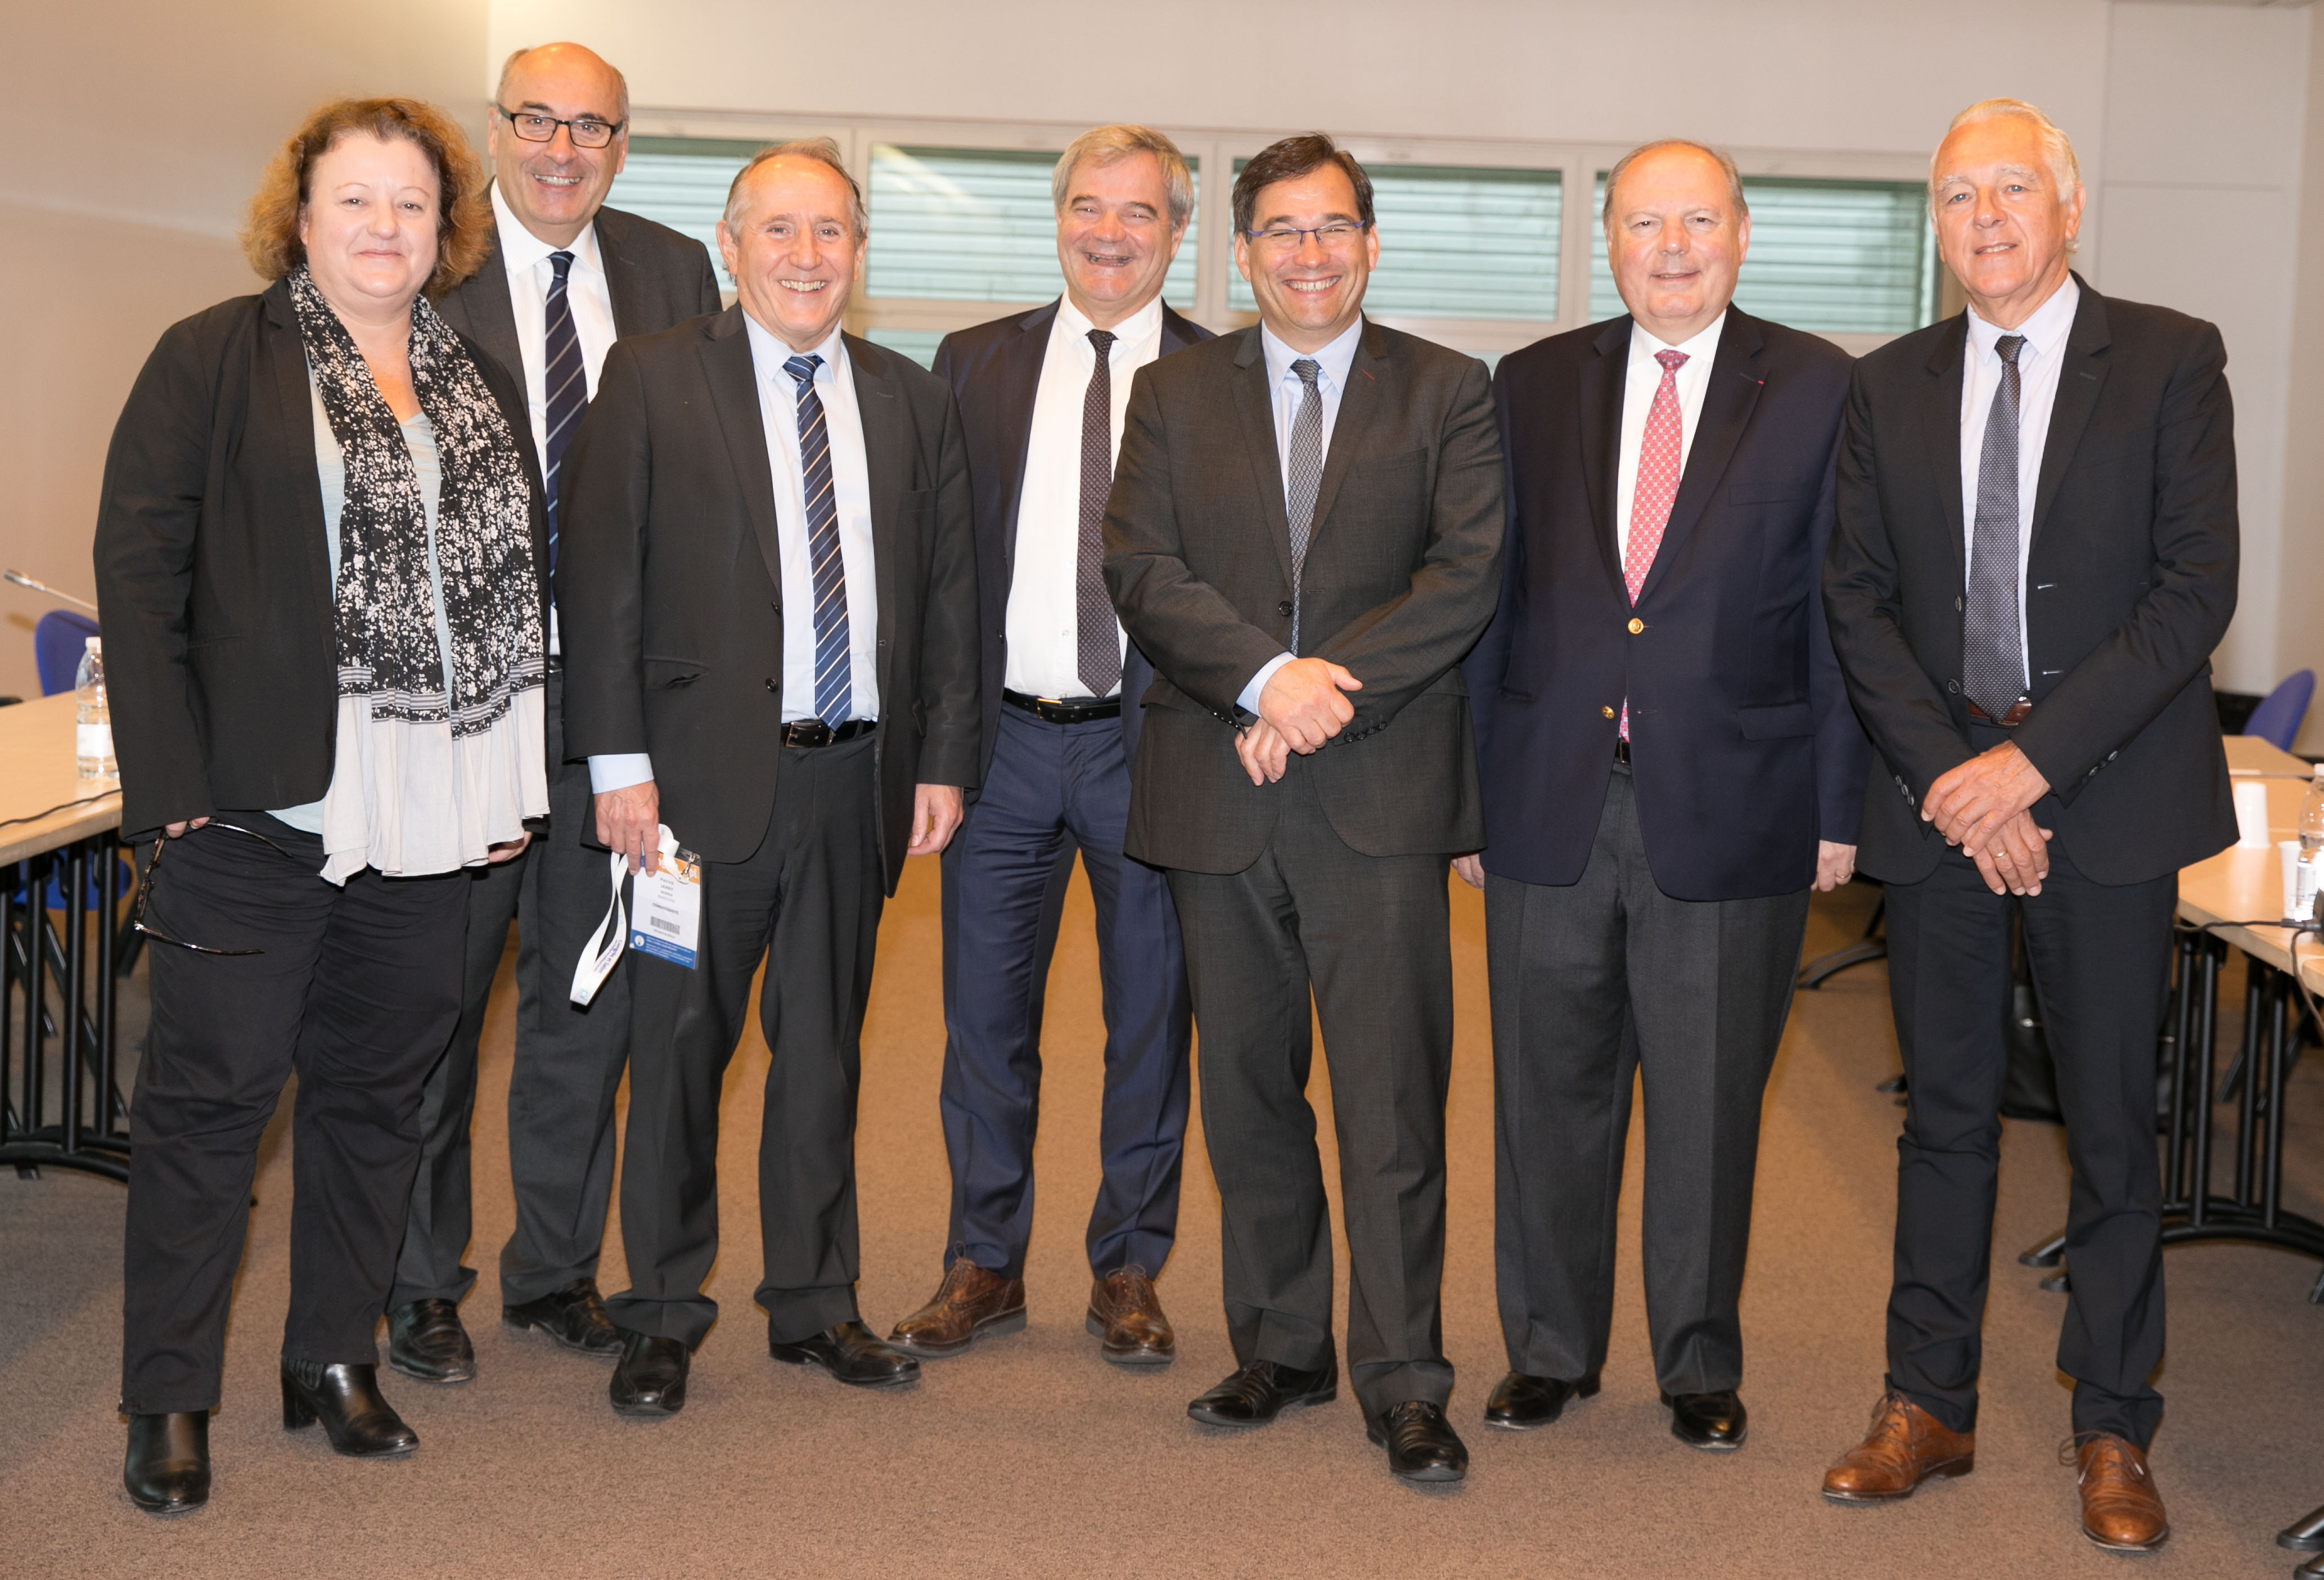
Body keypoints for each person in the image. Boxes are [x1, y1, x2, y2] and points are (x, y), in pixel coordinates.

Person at [96, 98, 548, 1511]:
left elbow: (515, 600)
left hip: (433, 803)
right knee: (209, 1109)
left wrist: (508, 776)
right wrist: (171, 791)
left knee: (378, 1100)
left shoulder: (479, 377)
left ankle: (332, 1357)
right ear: (300, 217)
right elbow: (139, 569)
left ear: (445, 230)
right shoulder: (215, 360)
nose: (383, 229)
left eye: (410, 206)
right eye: (355, 201)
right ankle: (168, 1394)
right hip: (257, 806)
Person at [1821, 98, 2237, 1552]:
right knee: (1941, 1119)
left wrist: (2030, 768)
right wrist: (1960, 776)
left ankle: (2112, 1420)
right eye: (1954, 196)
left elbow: (2193, 591)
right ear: (1933, 227)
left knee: (2112, 1132)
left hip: (2105, 802)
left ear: (2067, 207)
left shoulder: (2173, 361)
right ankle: (1922, 1400)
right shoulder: (1883, 389)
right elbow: (1856, 603)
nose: (1984, 215)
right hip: (1938, 803)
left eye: (2010, 188)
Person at [1102, 133, 1503, 1484]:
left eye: (1333, 228)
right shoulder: (1169, 391)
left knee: (1390, 1103)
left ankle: (1403, 1376)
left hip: (1376, 792)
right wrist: (1263, 682)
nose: (1309, 253)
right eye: (1280, 230)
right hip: (1220, 791)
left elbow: (1464, 574)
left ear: (1371, 243)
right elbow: (1140, 568)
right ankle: (1281, 1342)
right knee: (1248, 1092)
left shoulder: (1448, 391)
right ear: (1239, 251)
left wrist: (1323, 695)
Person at [558, 138, 979, 1417]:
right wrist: (618, 767)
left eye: (831, 232)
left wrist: (943, 761)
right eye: (779, 231)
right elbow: (604, 578)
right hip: (687, 799)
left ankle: (814, 1304)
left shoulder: (910, 398)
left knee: (824, 1059)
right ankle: (663, 1312)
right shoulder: (651, 379)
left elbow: (946, 597)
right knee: (678, 1050)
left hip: (851, 790)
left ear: (859, 251)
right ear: (731, 247)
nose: (807, 256)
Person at [1459, 140, 1866, 1451]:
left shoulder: (1816, 387)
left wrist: (1835, 805)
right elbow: (1486, 603)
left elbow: (1842, 610)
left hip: (1736, 802)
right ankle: (1550, 1350)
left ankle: (1696, 1361)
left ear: (1741, 234)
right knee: (1544, 1096)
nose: (1671, 245)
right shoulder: (1527, 385)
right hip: (1545, 805)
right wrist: (1468, 805)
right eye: (1644, 221)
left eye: (1697, 219)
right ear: (1609, 237)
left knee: (1703, 1106)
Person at [384, 40, 722, 1387]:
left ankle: (552, 1272)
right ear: (495, 129)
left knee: (586, 1005)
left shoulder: (671, 272)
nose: (564, 150)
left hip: (613, 715)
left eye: (594, 127)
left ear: (624, 145)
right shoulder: (423, 266)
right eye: (540, 121)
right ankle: (420, 1282)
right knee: (437, 1011)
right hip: (456, 720)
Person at [888, 125, 1204, 1369]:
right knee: (982, 1023)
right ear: (1057, 216)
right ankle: (984, 1262)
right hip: (1005, 746)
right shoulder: (973, 362)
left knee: (1150, 1022)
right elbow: (936, 569)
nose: (1109, 231)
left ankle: (1127, 1268)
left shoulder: (1220, 374)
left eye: (1138, 212)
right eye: (1087, 205)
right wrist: (934, 746)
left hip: (1154, 750)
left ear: (1177, 231)